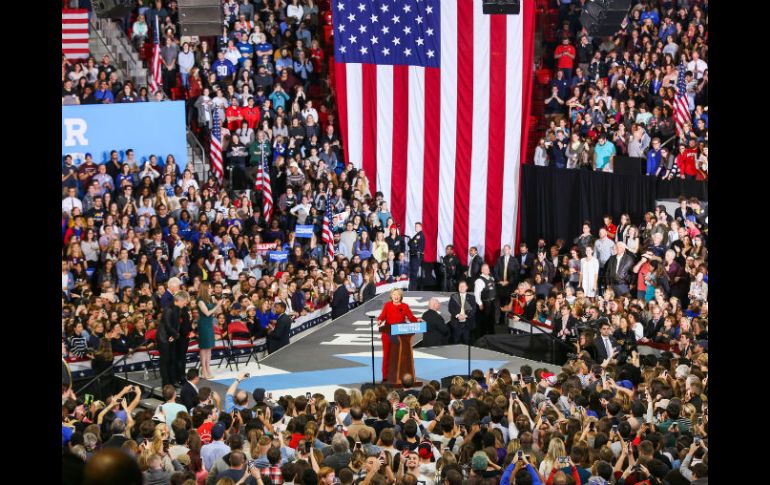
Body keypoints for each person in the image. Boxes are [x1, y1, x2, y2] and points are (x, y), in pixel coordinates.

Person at [376, 288, 418, 382]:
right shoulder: (387, 305)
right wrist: (379, 320)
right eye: (394, 294)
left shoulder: (405, 306)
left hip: (400, 335)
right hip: (387, 333)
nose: (396, 296)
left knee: (400, 355)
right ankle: (385, 376)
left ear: (401, 296)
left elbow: (411, 317)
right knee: (387, 355)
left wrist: (417, 320)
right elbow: (382, 316)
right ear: (391, 296)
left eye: (398, 294)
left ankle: (400, 375)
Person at [157, 291, 190, 387]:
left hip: (171, 337)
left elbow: (176, 324)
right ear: (179, 300)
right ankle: (166, 383)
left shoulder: (177, 309)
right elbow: (167, 325)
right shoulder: (168, 309)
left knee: (172, 359)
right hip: (163, 338)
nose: (185, 304)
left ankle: (172, 381)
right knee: (165, 361)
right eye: (185, 302)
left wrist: (174, 335)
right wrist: (176, 335)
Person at [196, 281, 222, 379]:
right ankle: (204, 370)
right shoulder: (200, 300)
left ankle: (208, 368)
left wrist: (217, 303)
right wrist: (217, 305)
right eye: (210, 287)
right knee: (204, 348)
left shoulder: (210, 299)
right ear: (205, 288)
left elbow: (217, 311)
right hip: (203, 325)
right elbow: (207, 313)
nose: (212, 289)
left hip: (209, 324)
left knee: (209, 348)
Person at [448, 280, 477, 345]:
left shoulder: (472, 297)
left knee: (467, 341)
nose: (461, 288)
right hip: (456, 323)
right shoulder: (453, 296)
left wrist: (465, 315)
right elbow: (451, 308)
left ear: (466, 287)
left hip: (468, 323)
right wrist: (458, 315)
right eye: (460, 286)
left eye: (463, 286)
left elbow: (474, 310)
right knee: (456, 341)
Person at [473, 264, 497, 339]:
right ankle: (482, 338)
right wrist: (480, 304)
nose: (487, 270)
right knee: (484, 321)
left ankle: (491, 336)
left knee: (491, 320)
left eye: (488, 268)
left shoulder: (491, 278)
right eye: (485, 269)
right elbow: (476, 294)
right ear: (482, 270)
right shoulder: (479, 280)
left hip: (492, 302)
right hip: (485, 303)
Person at [407, 222, 425, 290]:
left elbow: (411, 244)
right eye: (415, 226)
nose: (416, 227)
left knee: (414, 272)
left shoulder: (419, 235)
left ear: (421, 227)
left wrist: (412, 243)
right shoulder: (417, 235)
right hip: (414, 255)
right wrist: (412, 243)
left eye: (417, 226)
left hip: (416, 256)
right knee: (413, 272)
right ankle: (412, 287)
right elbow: (409, 243)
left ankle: (413, 288)